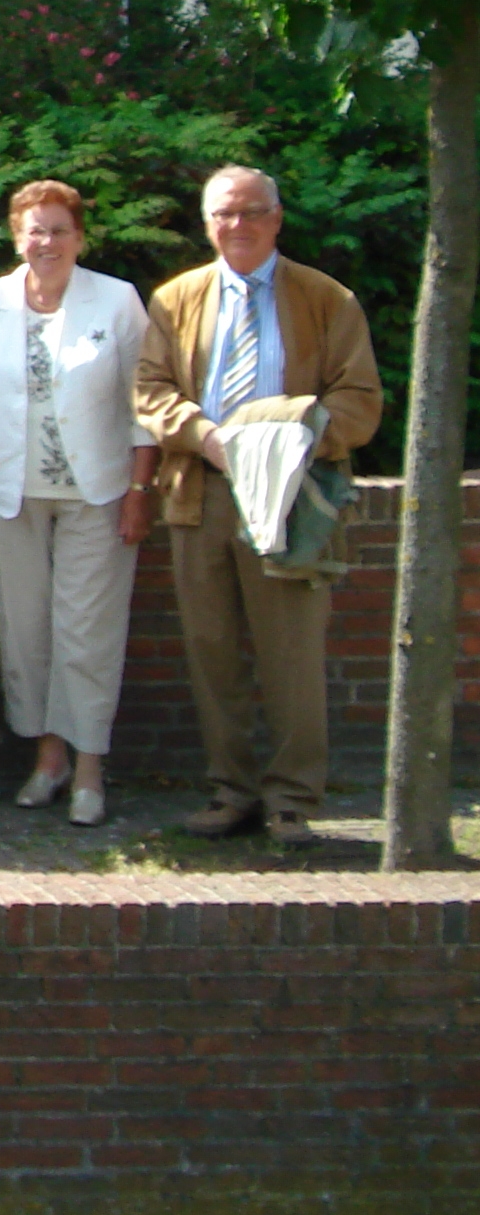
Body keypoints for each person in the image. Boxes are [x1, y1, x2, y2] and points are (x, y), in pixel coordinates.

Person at [136, 166, 383, 848]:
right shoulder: (175, 299)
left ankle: (294, 800)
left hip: (291, 496)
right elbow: (151, 390)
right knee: (212, 650)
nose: (236, 226)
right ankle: (231, 792)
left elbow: (361, 402)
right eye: (223, 214)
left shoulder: (327, 299)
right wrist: (207, 436)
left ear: (277, 220)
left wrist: (288, 438)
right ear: (206, 222)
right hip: (202, 491)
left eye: (250, 213)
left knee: (290, 654)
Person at [0, 180, 158, 827]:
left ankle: (90, 766)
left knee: (87, 633)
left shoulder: (116, 302)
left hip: (98, 494)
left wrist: (140, 492)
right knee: (27, 631)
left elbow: (145, 407)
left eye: (59, 230)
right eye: (35, 230)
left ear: (79, 237)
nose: (47, 242)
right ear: (16, 237)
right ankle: (48, 758)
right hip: (13, 499)